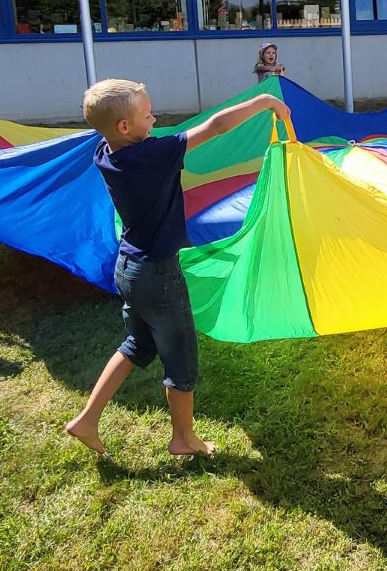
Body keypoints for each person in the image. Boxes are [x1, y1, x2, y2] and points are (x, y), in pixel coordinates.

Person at [64, 79, 292, 458]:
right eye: (148, 115)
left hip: (129, 268)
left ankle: (87, 419)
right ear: (124, 127)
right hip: (157, 276)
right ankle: (183, 439)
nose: (155, 120)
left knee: (136, 344)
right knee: (181, 361)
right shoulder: (151, 156)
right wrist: (266, 100)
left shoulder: (106, 152)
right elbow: (216, 127)